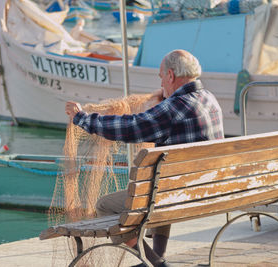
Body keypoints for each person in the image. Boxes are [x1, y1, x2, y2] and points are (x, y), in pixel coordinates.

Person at [65, 49, 224, 267]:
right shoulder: (209, 98)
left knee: (105, 206)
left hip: (176, 193)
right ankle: (158, 257)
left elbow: (131, 127)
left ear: (170, 75)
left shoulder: (174, 107)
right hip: (206, 188)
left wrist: (83, 118)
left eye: (161, 78)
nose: (161, 84)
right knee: (159, 186)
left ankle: (154, 262)